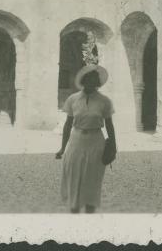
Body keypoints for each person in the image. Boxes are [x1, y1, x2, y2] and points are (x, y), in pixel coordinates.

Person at [55, 64, 116, 213]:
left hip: (96, 142)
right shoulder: (73, 99)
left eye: (95, 80)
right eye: (89, 79)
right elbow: (67, 125)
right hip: (76, 141)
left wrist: (113, 146)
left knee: (92, 180)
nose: (93, 82)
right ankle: (74, 210)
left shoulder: (105, 101)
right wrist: (63, 148)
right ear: (83, 80)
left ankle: (90, 213)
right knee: (74, 176)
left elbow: (109, 125)